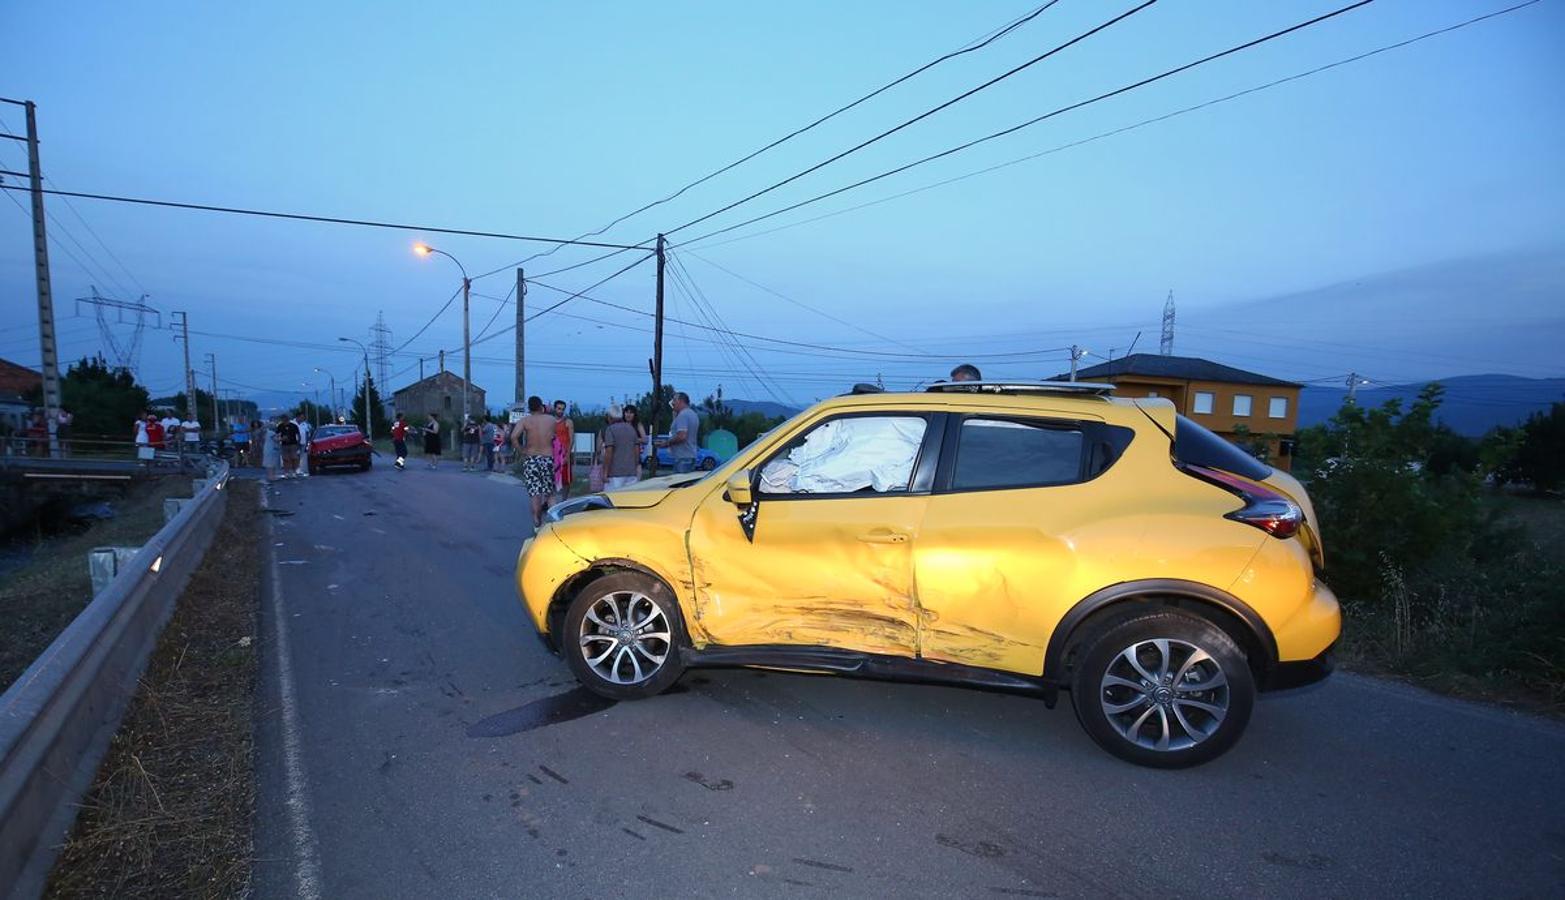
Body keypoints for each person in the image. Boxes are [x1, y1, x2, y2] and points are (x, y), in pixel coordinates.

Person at [511, 396, 557, 527]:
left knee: (535, 493)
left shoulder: (525, 421)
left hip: (531, 458)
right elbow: (557, 438)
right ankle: (553, 522)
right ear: (541, 406)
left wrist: (521, 450)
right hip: (548, 457)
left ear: (529, 407)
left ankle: (537, 522)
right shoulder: (551, 420)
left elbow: (514, 436)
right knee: (550, 493)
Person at [601, 403, 642, 490]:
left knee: (613, 500)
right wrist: (635, 466)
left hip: (615, 474)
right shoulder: (631, 429)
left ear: (610, 417)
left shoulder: (610, 429)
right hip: (631, 473)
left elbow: (609, 452)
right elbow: (637, 450)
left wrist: (605, 472)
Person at [659, 391, 701, 474]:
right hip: (690, 455)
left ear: (680, 401)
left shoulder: (683, 415)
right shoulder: (693, 414)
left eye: (674, 400)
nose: (673, 403)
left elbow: (682, 436)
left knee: (679, 485)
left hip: (682, 458)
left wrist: (667, 443)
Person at [551, 400, 575, 501]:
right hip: (552, 454)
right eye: (559, 408)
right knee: (551, 478)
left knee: (566, 480)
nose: (560, 411)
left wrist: (567, 455)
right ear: (554, 408)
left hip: (564, 454)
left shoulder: (568, 422)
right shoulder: (550, 421)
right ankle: (550, 500)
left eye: (562, 409)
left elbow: (571, 439)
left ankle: (564, 500)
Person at [262, 415, 282, 481]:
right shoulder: (271, 433)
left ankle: (271, 476)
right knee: (271, 464)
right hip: (271, 449)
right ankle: (271, 477)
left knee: (270, 464)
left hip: (268, 449)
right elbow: (276, 439)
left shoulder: (267, 432)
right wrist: (282, 438)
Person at [293, 412, 312, 477]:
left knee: (301, 457)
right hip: (294, 443)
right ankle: (294, 470)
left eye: (303, 417)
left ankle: (300, 470)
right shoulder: (292, 423)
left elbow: (307, 433)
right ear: (297, 417)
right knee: (295, 456)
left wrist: (307, 443)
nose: (302, 418)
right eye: (301, 417)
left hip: (303, 443)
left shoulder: (305, 424)